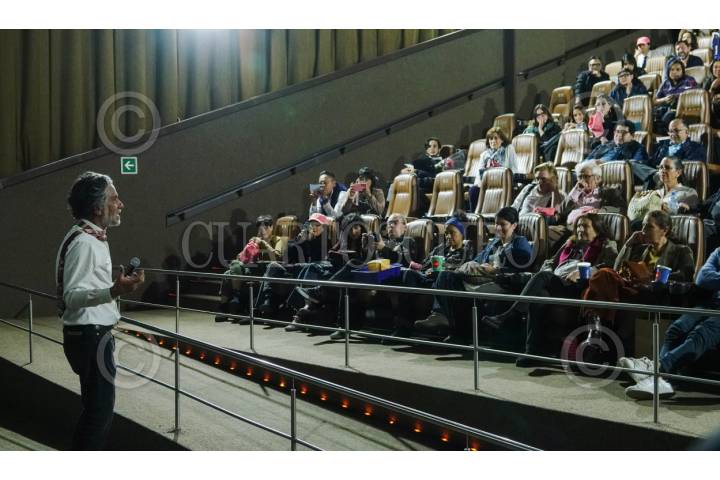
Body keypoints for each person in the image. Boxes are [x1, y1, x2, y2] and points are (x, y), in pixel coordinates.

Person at [57, 172, 145, 450]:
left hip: (88, 336)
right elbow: (71, 297)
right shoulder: (85, 242)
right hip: (90, 337)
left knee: (96, 411)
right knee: (98, 415)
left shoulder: (86, 236)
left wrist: (113, 288)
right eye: (114, 198)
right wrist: (114, 291)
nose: (121, 204)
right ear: (97, 207)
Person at [482, 213, 618, 367]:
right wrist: (549, 274)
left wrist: (583, 272)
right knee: (539, 296)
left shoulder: (606, 244)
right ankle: (532, 352)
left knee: (542, 277)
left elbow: (609, 266)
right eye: (578, 226)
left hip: (578, 287)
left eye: (585, 226)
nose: (580, 229)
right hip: (557, 282)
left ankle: (510, 315)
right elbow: (550, 262)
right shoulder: (570, 243)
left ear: (597, 229)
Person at [413, 207, 532, 340]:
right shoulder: (494, 242)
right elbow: (477, 260)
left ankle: (454, 330)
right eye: (496, 224)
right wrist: (476, 267)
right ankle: (447, 323)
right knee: (445, 276)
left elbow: (521, 269)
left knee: (449, 280)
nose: (498, 228)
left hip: (498, 281)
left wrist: (496, 270)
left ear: (514, 225)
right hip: (479, 278)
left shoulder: (520, 242)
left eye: (502, 224)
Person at [619, 247, 720, 399]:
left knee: (700, 333)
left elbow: (708, 279)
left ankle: (657, 369)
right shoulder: (718, 251)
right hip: (712, 303)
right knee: (676, 329)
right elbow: (702, 277)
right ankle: (661, 382)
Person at [582, 210, 695, 331]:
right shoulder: (640, 249)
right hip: (632, 288)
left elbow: (685, 275)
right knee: (604, 275)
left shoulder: (681, 251)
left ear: (664, 230)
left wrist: (653, 277)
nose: (643, 231)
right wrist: (628, 244)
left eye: (649, 227)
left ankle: (597, 324)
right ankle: (599, 323)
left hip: (655, 294)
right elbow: (617, 269)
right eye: (643, 226)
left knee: (603, 277)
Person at [214, 215, 287, 323]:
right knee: (232, 268)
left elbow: (277, 257)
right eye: (260, 228)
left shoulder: (278, 239)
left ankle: (235, 303)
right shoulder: (255, 241)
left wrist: (263, 243)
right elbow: (240, 258)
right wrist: (248, 248)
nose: (262, 230)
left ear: (272, 227)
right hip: (252, 269)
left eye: (265, 227)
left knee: (229, 273)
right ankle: (225, 306)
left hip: (267, 270)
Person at [256, 213, 332, 315]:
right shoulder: (304, 239)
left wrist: (308, 241)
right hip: (295, 269)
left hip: (310, 272)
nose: (314, 228)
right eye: (312, 225)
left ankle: (288, 309)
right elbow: (287, 256)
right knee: (273, 266)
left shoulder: (326, 241)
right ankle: (265, 303)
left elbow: (318, 261)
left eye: (317, 225)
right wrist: (300, 241)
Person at [550, 160, 626, 247]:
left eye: (586, 176)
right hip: (568, 228)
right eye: (580, 177)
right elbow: (561, 212)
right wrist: (575, 192)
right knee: (544, 232)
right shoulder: (576, 193)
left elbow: (622, 209)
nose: (582, 180)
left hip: (589, 229)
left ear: (597, 178)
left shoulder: (610, 193)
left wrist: (600, 211)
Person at [467, 126, 518, 211]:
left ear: (502, 140)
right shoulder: (484, 154)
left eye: (496, 138)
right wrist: (479, 184)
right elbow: (479, 175)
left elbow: (514, 168)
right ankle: (475, 216)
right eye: (491, 139)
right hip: (487, 183)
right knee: (473, 190)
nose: (493, 141)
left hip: (503, 182)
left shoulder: (509, 149)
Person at [654, 60, 698, 134]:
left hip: (682, 110)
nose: (674, 72)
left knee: (668, 117)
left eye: (678, 69)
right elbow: (655, 101)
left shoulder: (689, 80)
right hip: (665, 109)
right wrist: (664, 99)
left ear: (682, 71)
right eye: (672, 70)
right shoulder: (665, 83)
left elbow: (694, 95)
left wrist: (676, 96)